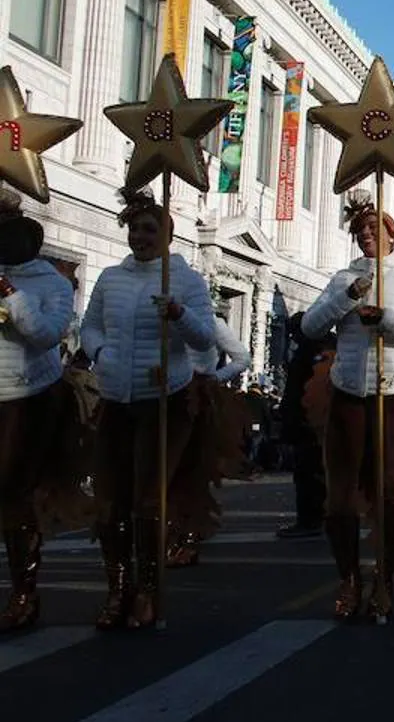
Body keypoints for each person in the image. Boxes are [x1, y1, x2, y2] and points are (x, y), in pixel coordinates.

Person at [80, 189, 216, 629]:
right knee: (110, 500)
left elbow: (204, 339)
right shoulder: (109, 277)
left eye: (149, 229)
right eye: (135, 229)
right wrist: (100, 353)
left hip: (165, 400)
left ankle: (149, 591)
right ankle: (117, 589)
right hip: (117, 398)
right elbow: (90, 326)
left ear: (167, 236)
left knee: (147, 499)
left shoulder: (186, 281)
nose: (140, 236)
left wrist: (178, 314)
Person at [301, 191, 394, 622]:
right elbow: (309, 326)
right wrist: (347, 297)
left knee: (390, 488)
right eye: (360, 231)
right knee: (339, 495)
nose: (366, 237)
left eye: (374, 230)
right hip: (348, 386)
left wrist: (387, 320)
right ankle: (348, 579)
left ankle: (384, 577)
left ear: (391, 235)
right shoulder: (343, 276)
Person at [0, 190, 76, 631]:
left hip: (25, 397)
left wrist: (11, 295)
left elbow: (46, 335)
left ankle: (24, 592)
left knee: (12, 491)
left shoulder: (52, 283)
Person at [167, 302, 253, 566]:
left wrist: (214, 378)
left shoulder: (212, 323)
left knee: (192, 468)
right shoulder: (161, 318)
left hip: (197, 400)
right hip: (161, 395)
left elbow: (242, 358)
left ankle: (189, 537)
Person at [276, 312, 329, 538]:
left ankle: (311, 519)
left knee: (309, 471)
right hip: (311, 419)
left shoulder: (313, 350)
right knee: (313, 471)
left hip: (309, 419)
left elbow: (299, 390)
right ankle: (317, 516)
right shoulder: (315, 347)